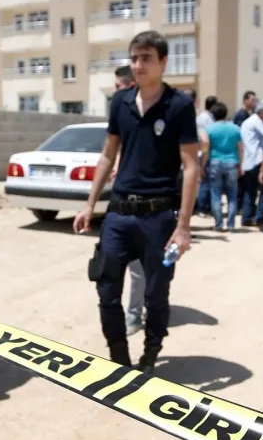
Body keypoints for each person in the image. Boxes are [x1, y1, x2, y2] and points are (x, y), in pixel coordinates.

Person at [73, 30, 199, 372]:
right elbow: (107, 155)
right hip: (118, 214)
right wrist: (90, 204)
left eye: (147, 58)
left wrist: (183, 227)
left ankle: (149, 356)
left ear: (163, 62)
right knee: (106, 288)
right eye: (135, 58)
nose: (139, 65)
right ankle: (119, 358)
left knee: (155, 295)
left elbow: (191, 166)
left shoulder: (179, 106)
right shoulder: (120, 102)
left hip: (158, 217)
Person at [112, 64, 148, 337]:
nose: (115, 92)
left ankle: (135, 315)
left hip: (147, 203)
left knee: (139, 265)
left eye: (118, 87)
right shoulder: (122, 113)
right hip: (122, 201)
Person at [204, 101, 242, 231]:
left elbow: (206, 149)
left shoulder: (209, 129)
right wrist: (240, 164)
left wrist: (203, 166)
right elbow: (240, 148)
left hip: (215, 162)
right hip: (232, 162)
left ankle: (218, 224)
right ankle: (231, 224)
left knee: (216, 195)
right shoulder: (235, 128)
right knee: (232, 196)